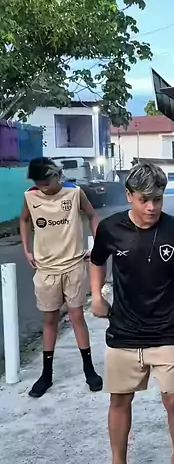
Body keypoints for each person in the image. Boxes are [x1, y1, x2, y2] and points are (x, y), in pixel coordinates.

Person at [89, 162, 174, 464]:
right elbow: (97, 261)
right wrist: (96, 295)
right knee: (119, 399)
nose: (152, 207)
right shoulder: (110, 228)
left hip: (167, 329)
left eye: (157, 199)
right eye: (144, 200)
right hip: (123, 331)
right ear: (129, 196)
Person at [20, 157, 102, 398]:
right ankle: (46, 374)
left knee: (76, 316)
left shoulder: (74, 193)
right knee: (49, 319)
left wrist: (97, 244)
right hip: (46, 269)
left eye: (47, 182)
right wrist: (26, 250)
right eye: (39, 184)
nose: (43, 188)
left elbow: (92, 216)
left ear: (57, 176)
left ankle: (89, 369)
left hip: (74, 264)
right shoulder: (30, 197)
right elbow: (24, 220)